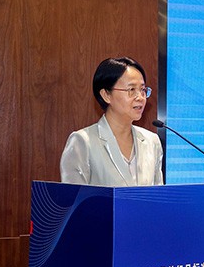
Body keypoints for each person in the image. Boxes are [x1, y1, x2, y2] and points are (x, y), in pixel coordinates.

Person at [60, 57, 164, 186]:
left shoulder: (152, 141)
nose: (140, 97)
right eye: (131, 90)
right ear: (106, 95)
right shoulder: (83, 142)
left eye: (143, 90)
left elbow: (158, 196)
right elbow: (74, 197)